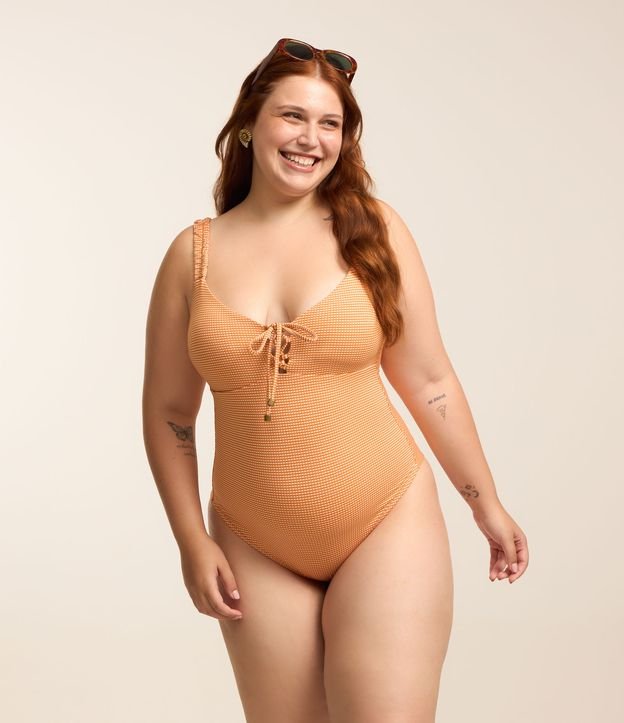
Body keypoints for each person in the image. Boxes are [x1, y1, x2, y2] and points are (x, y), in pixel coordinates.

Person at [142, 37, 529, 723]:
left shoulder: (374, 231)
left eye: (330, 123)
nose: (310, 139)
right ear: (249, 122)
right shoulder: (191, 255)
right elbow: (170, 410)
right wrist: (191, 540)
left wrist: (484, 501)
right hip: (251, 540)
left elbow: (430, 379)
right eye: (293, 116)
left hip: (383, 520)